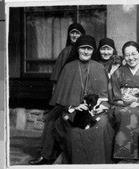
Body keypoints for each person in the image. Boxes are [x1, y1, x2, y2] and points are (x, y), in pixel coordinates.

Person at [50, 35, 115, 164]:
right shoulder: (68, 68)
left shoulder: (99, 68)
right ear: (77, 49)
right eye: (83, 48)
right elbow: (61, 101)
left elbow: (106, 97)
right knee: (74, 133)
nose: (86, 52)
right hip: (73, 112)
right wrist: (74, 106)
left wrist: (99, 107)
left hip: (96, 112)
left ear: (93, 51)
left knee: (100, 126)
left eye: (89, 49)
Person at [28, 23, 85, 165]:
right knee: (51, 119)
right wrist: (57, 97)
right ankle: (45, 154)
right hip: (64, 95)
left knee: (58, 120)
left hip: (79, 97)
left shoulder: (86, 52)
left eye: (77, 33)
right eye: (72, 33)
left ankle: (49, 154)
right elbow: (56, 79)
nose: (74, 35)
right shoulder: (66, 52)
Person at [109, 41, 139, 163]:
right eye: (127, 55)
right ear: (124, 57)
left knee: (133, 113)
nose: (131, 58)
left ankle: (130, 158)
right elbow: (113, 97)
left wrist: (137, 100)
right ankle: (126, 157)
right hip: (120, 105)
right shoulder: (118, 72)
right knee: (126, 112)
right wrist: (126, 103)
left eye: (134, 54)